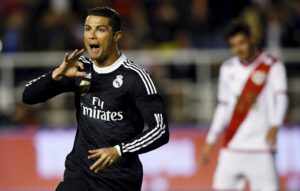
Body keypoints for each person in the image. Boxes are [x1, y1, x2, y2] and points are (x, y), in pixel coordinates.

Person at [22, 7, 169, 191]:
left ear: (117, 36)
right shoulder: (79, 68)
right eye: (87, 29)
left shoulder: (136, 78)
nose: (91, 35)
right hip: (79, 175)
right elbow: (28, 96)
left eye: (100, 29)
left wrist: (119, 150)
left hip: (119, 182)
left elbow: (161, 130)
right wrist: (57, 74)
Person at [199, 20, 288, 191]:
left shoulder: (272, 65)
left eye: (242, 43)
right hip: (232, 147)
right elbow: (223, 107)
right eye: (233, 46)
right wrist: (210, 141)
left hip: (261, 147)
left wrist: (275, 125)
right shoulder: (227, 68)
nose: (238, 49)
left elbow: (281, 98)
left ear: (252, 39)